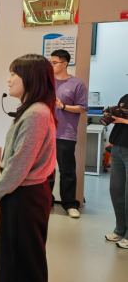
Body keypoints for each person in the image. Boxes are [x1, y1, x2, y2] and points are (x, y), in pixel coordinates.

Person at [0, 54, 58, 282]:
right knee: (21, 264)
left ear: (30, 79)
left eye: (13, 75)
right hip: (27, 195)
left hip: (24, 196)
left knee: (21, 266)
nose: (8, 80)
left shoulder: (35, 113)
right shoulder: (35, 110)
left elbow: (19, 163)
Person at [49, 49, 88, 218]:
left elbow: (82, 108)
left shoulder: (77, 84)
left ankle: (70, 204)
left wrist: (63, 106)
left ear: (65, 63)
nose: (51, 65)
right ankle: (46, 201)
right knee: (46, 170)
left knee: (67, 170)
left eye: (54, 63)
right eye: (50, 62)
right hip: (46, 132)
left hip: (65, 133)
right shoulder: (48, 82)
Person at [105, 93, 128, 249]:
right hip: (118, 147)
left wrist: (124, 120)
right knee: (116, 190)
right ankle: (120, 230)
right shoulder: (125, 97)